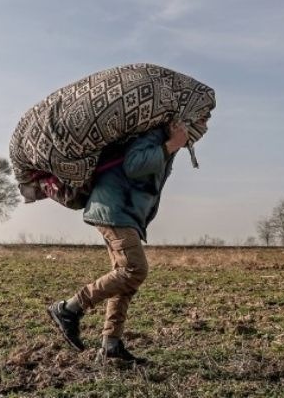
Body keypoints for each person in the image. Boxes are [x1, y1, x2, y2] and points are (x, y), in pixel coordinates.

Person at [47, 116, 207, 364]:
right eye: (195, 125)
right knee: (134, 269)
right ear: (178, 121)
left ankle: (111, 345)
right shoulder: (152, 134)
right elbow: (133, 165)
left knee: (125, 279)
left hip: (123, 211)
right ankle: (68, 309)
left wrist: (171, 146)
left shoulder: (161, 137)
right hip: (114, 208)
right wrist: (171, 145)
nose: (197, 131)